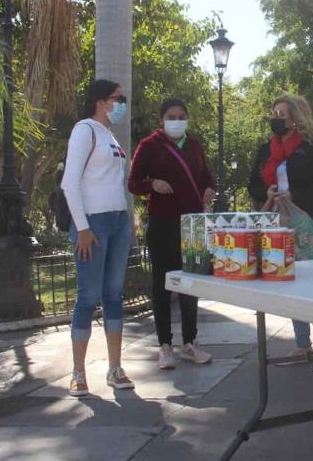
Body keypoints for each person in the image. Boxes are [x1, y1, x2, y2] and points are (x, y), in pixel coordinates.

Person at [128, 98, 217, 370]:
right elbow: (133, 182)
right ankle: (165, 345)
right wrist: (152, 184)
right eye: (171, 116)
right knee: (163, 284)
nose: (176, 120)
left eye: (181, 115)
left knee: (191, 283)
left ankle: (190, 342)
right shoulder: (149, 146)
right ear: (162, 119)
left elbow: (208, 177)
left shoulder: (194, 145)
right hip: (163, 223)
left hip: (192, 225)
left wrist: (210, 189)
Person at [248, 93, 313, 371]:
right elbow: (252, 184)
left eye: (282, 114)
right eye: (274, 113)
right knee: (290, 281)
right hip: (279, 221)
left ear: (296, 118)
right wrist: (268, 192)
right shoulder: (266, 150)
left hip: (309, 218)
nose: (277, 119)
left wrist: (294, 194)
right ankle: (302, 343)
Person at [61, 79, 134, 396]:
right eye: (119, 99)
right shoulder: (84, 130)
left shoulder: (110, 135)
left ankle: (114, 368)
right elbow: (69, 183)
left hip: (118, 220)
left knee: (114, 295)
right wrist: (83, 228)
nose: (122, 104)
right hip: (93, 223)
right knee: (88, 297)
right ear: (102, 101)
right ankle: (78, 372)